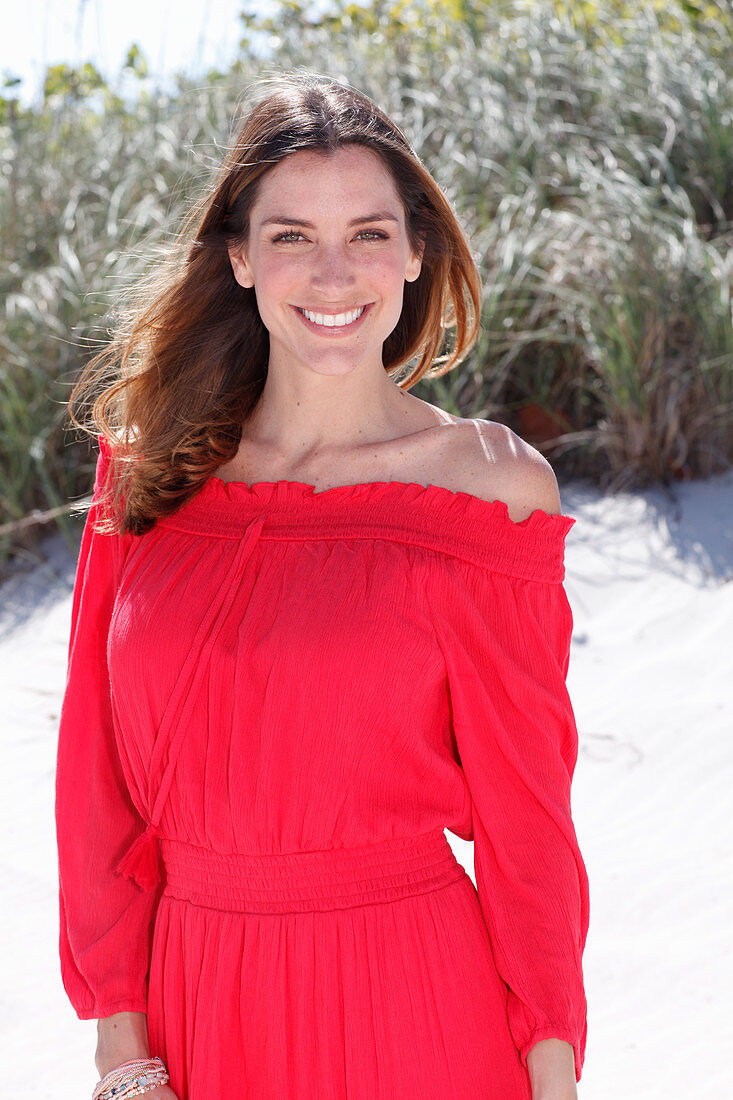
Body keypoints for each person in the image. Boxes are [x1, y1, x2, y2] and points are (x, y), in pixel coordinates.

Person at [55, 70, 590, 1100]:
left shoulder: (489, 486)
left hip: (415, 1000)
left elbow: (530, 830)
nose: (334, 273)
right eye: (292, 235)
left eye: (370, 233)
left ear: (416, 250)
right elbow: (96, 787)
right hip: (197, 1004)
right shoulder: (149, 473)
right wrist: (124, 1056)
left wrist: (553, 1075)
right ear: (241, 256)